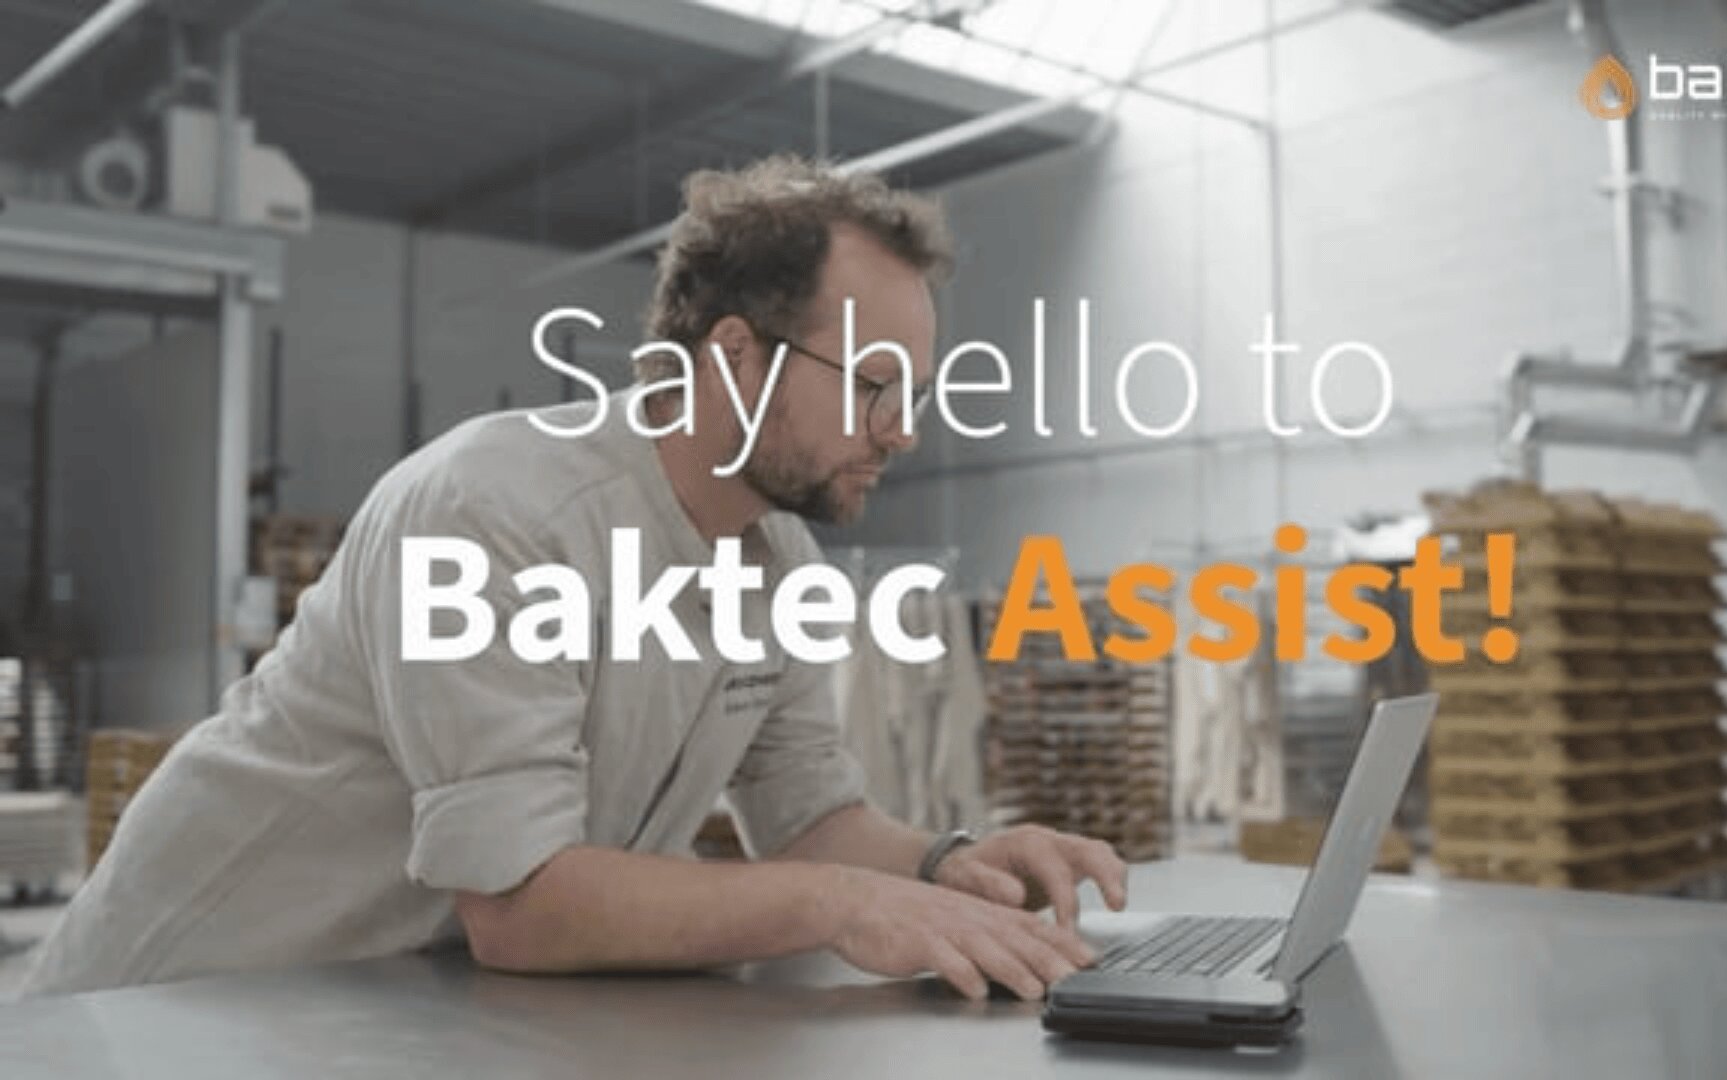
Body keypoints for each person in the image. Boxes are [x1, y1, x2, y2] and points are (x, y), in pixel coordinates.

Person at [25, 157, 1126, 1001]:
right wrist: (838, 906)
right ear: (735, 357)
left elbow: (806, 819)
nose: (902, 431)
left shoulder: (774, 559)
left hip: (380, 1011)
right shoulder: (494, 513)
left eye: (915, 393)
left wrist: (952, 863)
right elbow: (521, 905)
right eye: (873, 385)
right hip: (172, 1010)